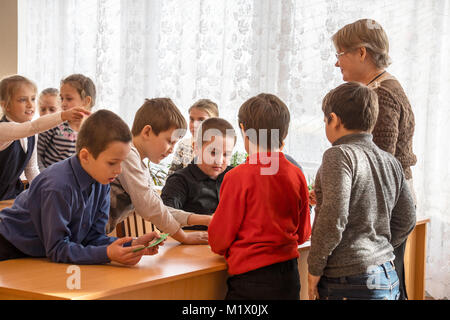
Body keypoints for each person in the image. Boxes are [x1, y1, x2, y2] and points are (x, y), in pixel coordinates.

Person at [0, 110, 164, 265]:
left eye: (122, 162)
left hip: (35, 256)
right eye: (112, 162)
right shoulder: (58, 186)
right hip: (7, 248)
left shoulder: (102, 181)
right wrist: (107, 254)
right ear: (85, 156)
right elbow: (57, 249)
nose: (119, 170)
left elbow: (92, 238)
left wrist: (132, 244)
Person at [332, 18, 417, 299]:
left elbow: (378, 167)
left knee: (384, 285)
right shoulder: (386, 87)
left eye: (340, 54)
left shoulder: (380, 94)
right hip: (397, 204)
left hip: (389, 211)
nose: (336, 63)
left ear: (361, 52)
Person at [307, 82, 416, 300]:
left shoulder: (338, 155)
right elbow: (407, 217)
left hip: (349, 281)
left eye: (325, 121)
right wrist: (376, 249)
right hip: (387, 276)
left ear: (334, 119)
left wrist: (313, 270)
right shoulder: (391, 161)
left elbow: (333, 218)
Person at [208, 93, 311, 300]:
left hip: (251, 280)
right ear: (284, 133)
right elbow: (303, 234)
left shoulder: (237, 177)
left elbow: (218, 240)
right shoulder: (296, 174)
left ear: (243, 130)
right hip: (289, 277)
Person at [107, 98, 210, 244]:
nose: (171, 150)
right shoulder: (127, 154)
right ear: (147, 132)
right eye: (170, 141)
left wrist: (205, 219)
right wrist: (183, 237)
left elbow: (160, 207)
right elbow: (149, 207)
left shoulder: (139, 164)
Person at [0, 75, 89, 201]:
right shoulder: (3, 129)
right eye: (22, 100)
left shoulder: (32, 134)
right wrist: (63, 115)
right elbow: (33, 127)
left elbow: (31, 169)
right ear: (5, 105)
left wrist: (45, 192)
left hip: (13, 196)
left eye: (32, 99)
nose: (30, 105)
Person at [161, 117, 236, 230]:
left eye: (226, 154)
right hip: (193, 245)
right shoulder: (179, 181)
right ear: (196, 147)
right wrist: (207, 220)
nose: (219, 161)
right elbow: (163, 219)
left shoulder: (234, 176)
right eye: (213, 152)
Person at [37, 74, 95, 170]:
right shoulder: (53, 123)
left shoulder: (95, 130)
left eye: (69, 99)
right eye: (62, 98)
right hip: (51, 180)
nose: (63, 104)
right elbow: (37, 155)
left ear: (86, 101)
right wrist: (44, 178)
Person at [168, 99, 219, 176]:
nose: (194, 125)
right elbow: (172, 175)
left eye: (201, 120)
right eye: (191, 119)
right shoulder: (184, 145)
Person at [37, 88, 62, 170]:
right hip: (48, 175)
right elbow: (37, 156)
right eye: (43, 109)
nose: (47, 114)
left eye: (52, 109)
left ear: (61, 109)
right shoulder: (42, 129)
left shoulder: (67, 128)